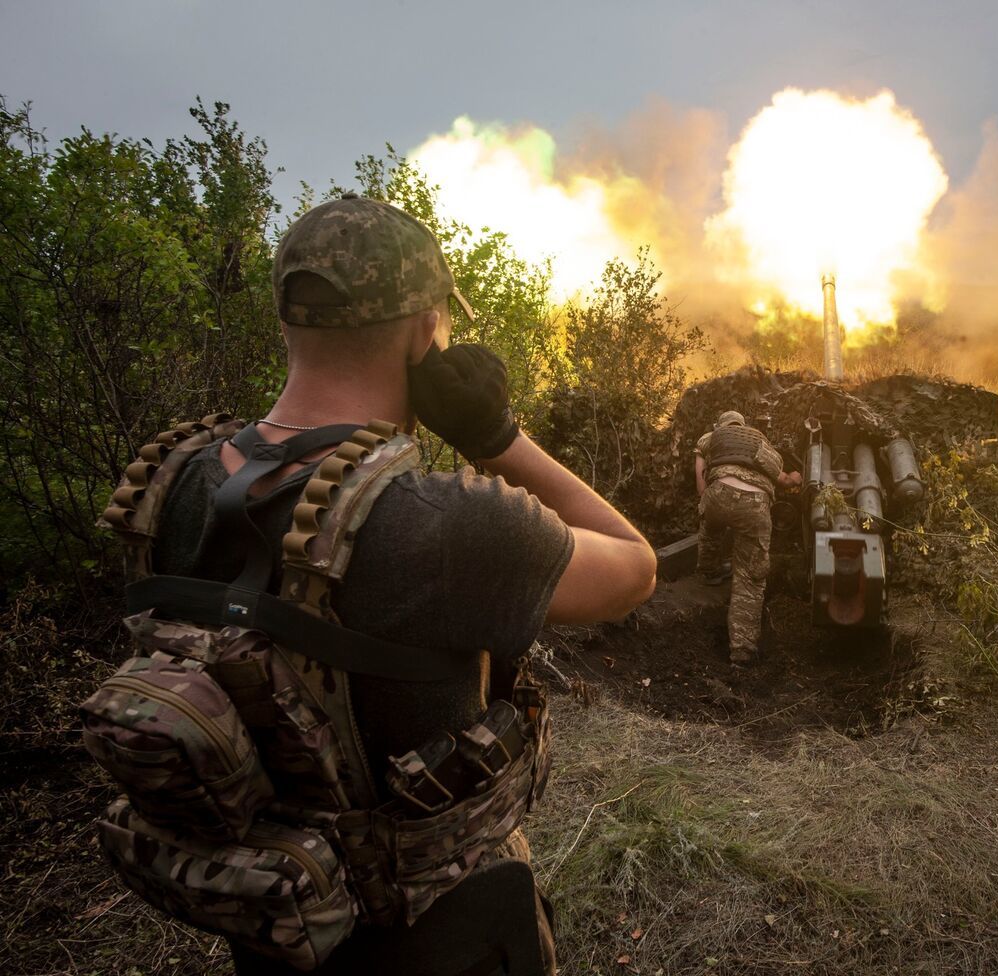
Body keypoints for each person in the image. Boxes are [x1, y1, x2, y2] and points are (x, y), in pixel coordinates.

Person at [141, 193, 657, 972]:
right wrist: (497, 439)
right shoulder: (446, 524)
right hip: (450, 937)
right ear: (426, 333)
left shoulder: (172, 486)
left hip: (279, 930)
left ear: (289, 320)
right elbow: (634, 565)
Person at [694, 410, 801, 665]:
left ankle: (708, 571)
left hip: (717, 493)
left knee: (711, 528)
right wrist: (795, 478)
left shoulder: (712, 436)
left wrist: (705, 499)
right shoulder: (760, 441)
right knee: (750, 578)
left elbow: (700, 470)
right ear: (743, 426)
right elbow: (782, 479)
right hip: (754, 504)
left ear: (720, 424)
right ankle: (742, 651)